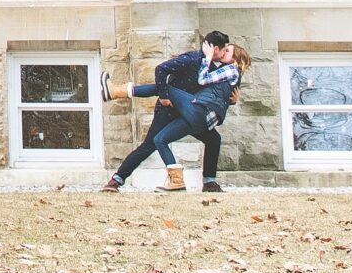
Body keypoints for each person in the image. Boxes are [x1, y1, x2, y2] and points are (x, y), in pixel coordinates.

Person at [100, 33, 246, 194]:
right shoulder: (192, 59)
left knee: (213, 139)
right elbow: (161, 69)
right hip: (169, 108)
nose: (225, 53)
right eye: (224, 50)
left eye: (228, 51)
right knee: (152, 143)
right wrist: (163, 97)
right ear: (216, 49)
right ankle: (117, 180)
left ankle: (209, 182)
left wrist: (232, 99)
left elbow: (217, 93)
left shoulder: (214, 67)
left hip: (194, 110)